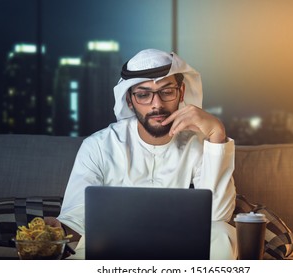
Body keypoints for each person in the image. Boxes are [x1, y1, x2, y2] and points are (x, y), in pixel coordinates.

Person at [50, 49, 238, 259]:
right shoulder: (99, 145)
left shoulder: (200, 144)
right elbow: (77, 213)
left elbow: (218, 215)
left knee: (223, 234)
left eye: (167, 92)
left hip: (180, 244)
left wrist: (217, 133)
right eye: (143, 94)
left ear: (181, 93)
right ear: (130, 101)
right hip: (113, 246)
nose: (156, 104)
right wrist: (57, 230)